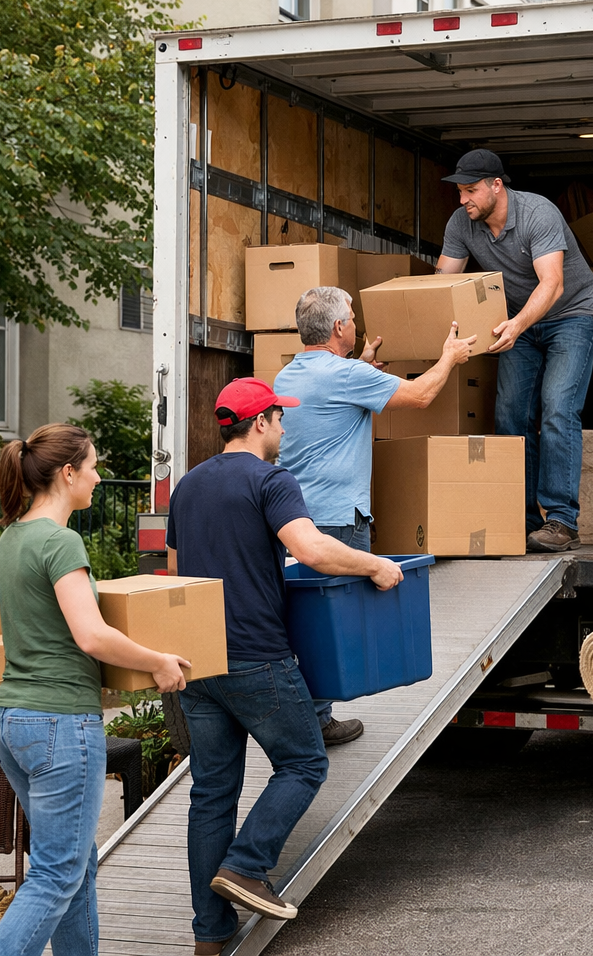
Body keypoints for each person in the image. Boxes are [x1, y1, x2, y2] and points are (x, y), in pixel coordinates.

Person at [165, 377, 403, 956]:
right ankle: (247, 865)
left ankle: (210, 936)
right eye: (281, 418)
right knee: (302, 763)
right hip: (256, 656)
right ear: (263, 422)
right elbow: (314, 549)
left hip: (198, 661)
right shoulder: (271, 479)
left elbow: (174, 574)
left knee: (212, 793)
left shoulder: (188, 486)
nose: (285, 428)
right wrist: (375, 565)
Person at [0, 424, 189, 956]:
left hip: (13, 720)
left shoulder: (11, 538)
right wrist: (159, 663)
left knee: (74, 863)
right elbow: (91, 634)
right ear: (68, 473)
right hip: (59, 723)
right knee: (57, 873)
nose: (98, 477)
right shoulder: (59, 539)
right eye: (93, 466)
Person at [275, 285, 473, 741]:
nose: (355, 320)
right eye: (351, 314)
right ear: (339, 327)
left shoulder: (289, 375)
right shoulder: (345, 378)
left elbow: (332, 397)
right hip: (338, 519)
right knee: (334, 623)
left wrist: (361, 365)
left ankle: (309, 714)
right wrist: (449, 357)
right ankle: (317, 722)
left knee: (303, 620)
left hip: (295, 517)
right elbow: (421, 396)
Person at [435, 148, 593, 553]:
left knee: (558, 406)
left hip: (571, 314)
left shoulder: (537, 214)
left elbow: (553, 284)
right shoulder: (463, 222)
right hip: (518, 322)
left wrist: (517, 324)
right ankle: (522, 518)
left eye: (471, 191)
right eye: (460, 192)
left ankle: (562, 521)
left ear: (497, 185)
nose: (463, 200)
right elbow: (441, 281)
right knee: (510, 413)